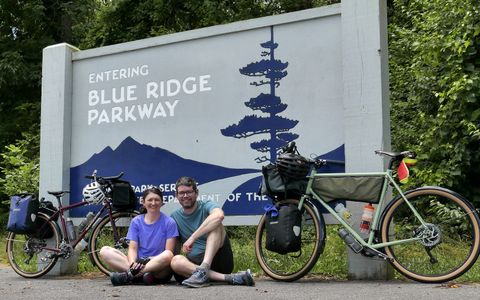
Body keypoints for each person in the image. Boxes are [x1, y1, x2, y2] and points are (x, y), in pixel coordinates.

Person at [170, 176, 254, 288]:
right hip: (193, 265)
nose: (185, 196)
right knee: (175, 261)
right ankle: (229, 278)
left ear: (196, 193)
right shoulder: (174, 216)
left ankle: (204, 270)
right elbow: (174, 250)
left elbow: (219, 215)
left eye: (189, 192)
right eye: (181, 193)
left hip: (218, 260)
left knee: (216, 223)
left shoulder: (206, 205)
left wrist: (192, 238)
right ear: (176, 196)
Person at [100, 187, 178, 285]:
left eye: (157, 200)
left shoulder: (169, 222)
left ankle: (130, 275)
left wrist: (148, 260)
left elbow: (169, 251)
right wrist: (133, 264)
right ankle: (141, 275)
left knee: (168, 255)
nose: (153, 203)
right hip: (137, 264)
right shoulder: (136, 221)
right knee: (105, 251)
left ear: (162, 202)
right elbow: (132, 249)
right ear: (143, 202)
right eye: (150, 200)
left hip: (159, 266)